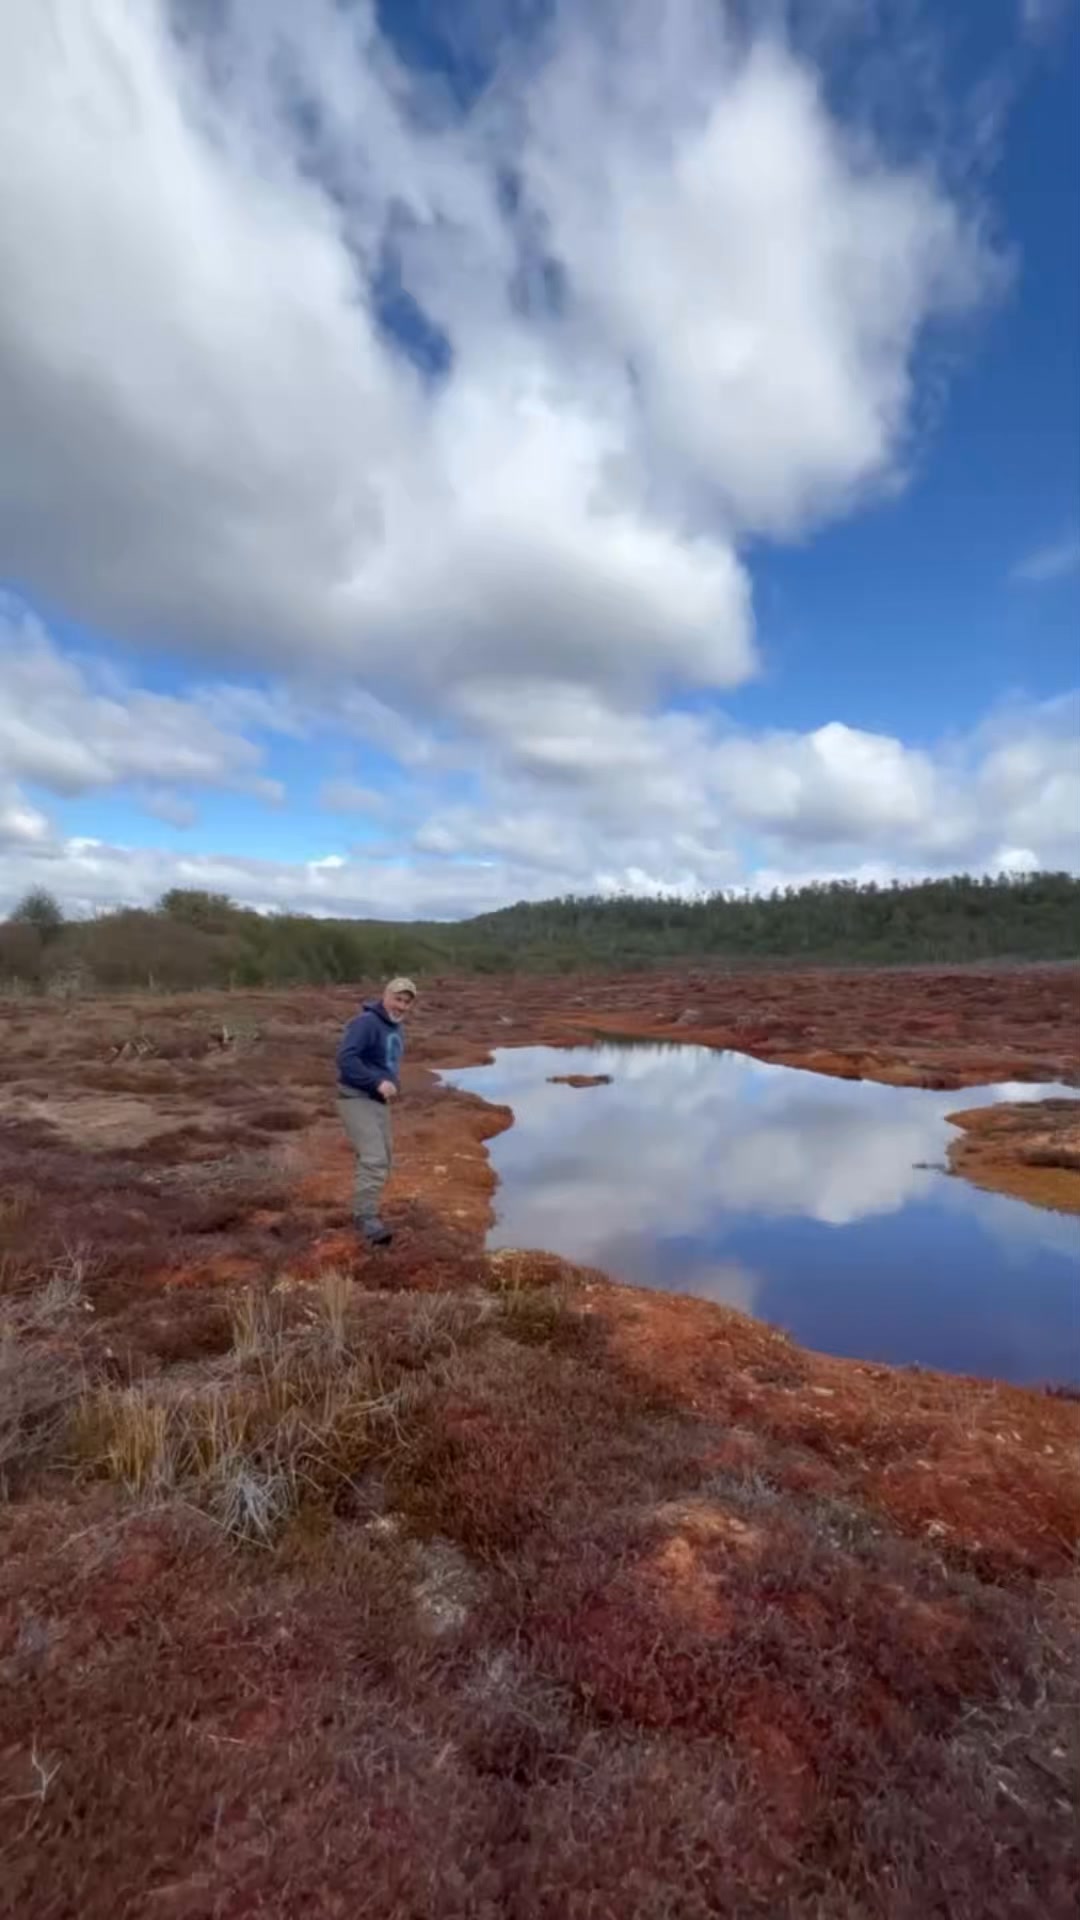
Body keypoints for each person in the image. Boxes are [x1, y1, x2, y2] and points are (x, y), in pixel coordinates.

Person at [336, 977, 417, 1246]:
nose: (402, 1005)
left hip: (377, 1102)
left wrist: (390, 1082)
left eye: (407, 1002)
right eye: (398, 999)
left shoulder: (395, 1027)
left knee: (384, 1158)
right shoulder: (366, 1023)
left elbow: (386, 1062)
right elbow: (346, 1058)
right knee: (373, 1158)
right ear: (385, 996)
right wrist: (376, 1082)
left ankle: (365, 1208)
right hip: (356, 1098)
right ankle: (366, 1219)